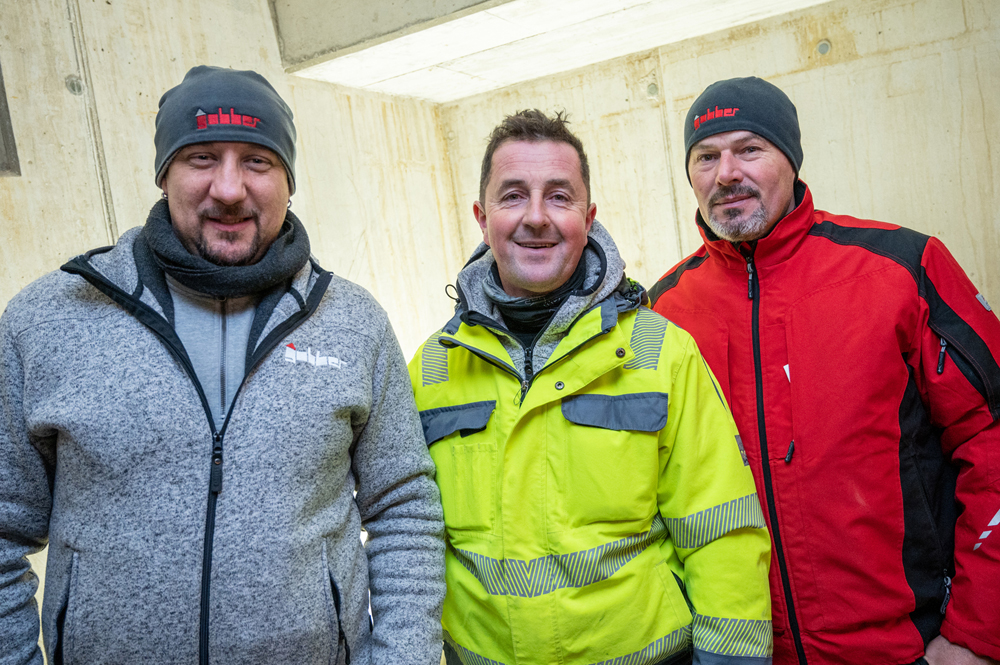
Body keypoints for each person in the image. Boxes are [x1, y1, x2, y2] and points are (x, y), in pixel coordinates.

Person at [0, 66, 445, 665]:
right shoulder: (49, 319)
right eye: (202, 158)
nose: (230, 188)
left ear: (289, 181)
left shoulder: (353, 322)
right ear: (164, 175)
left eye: (257, 161)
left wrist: (402, 657)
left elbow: (404, 507)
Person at [649, 76, 1000, 665]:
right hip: (747, 652)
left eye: (749, 149)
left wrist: (976, 632)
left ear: (792, 159)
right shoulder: (664, 312)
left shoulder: (900, 268)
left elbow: (988, 438)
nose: (726, 173)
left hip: (907, 647)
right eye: (705, 157)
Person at [408, 109, 772, 665]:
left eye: (559, 197)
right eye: (513, 196)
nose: (536, 217)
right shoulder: (432, 367)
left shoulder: (661, 352)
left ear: (588, 215)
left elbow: (722, 533)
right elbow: (410, 543)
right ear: (482, 218)